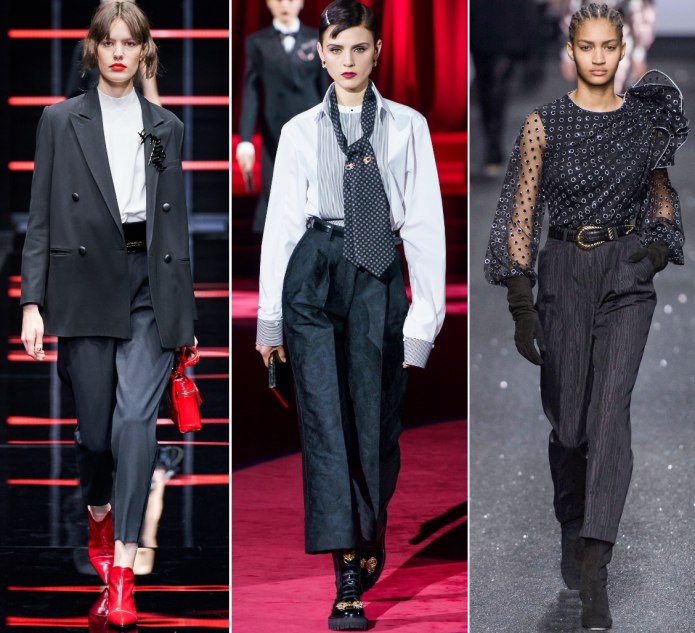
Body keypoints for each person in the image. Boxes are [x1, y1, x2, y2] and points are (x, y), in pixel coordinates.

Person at [484, 3, 687, 630]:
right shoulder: (544, 124)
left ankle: (596, 566)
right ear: (571, 52)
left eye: (608, 47)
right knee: (570, 427)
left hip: (626, 276)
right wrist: (522, 302)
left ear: (622, 51)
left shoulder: (645, 122)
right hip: (565, 272)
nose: (598, 58)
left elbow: (662, 197)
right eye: (587, 47)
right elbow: (520, 212)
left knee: (609, 417)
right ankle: (572, 522)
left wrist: (656, 250)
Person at [255, 0, 446, 629]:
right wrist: (271, 320)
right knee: (324, 423)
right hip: (314, 271)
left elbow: (423, 225)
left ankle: (370, 528)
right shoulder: (300, 131)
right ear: (321, 53)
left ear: (377, 52)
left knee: (376, 424)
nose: (347, 60)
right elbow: (282, 226)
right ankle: (346, 578)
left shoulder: (408, 126)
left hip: (377, 277)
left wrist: (423, 323)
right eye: (335, 49)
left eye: (358, 48)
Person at [20, 1, 196, 627]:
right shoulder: (58, 121)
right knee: (95, 437)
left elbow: (173, 223)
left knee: (136, 422)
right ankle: (99, 515)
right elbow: (41, 215)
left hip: (149, 282)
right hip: (84, 284)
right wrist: (33, 302)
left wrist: (184, 317)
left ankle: (122, 576)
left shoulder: (165, 128)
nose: (119, 52)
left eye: (130, 42)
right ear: (93, 49)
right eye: (109, 41)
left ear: (145, 51)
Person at [236, 0, 326, 233]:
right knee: (275, 192)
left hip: (312, 128)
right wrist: (245, 141)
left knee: (312, 191)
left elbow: (326, 89)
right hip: (274, 130)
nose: (285, 4)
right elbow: (251, 93)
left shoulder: (317, 39)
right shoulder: (257, 42)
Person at [558, 0, 656, 92]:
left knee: (617, 88)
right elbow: (571, 12)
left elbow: (641, 14)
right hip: (587, 39)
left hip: (621, 40)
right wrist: (567, 55)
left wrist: (639, 54)